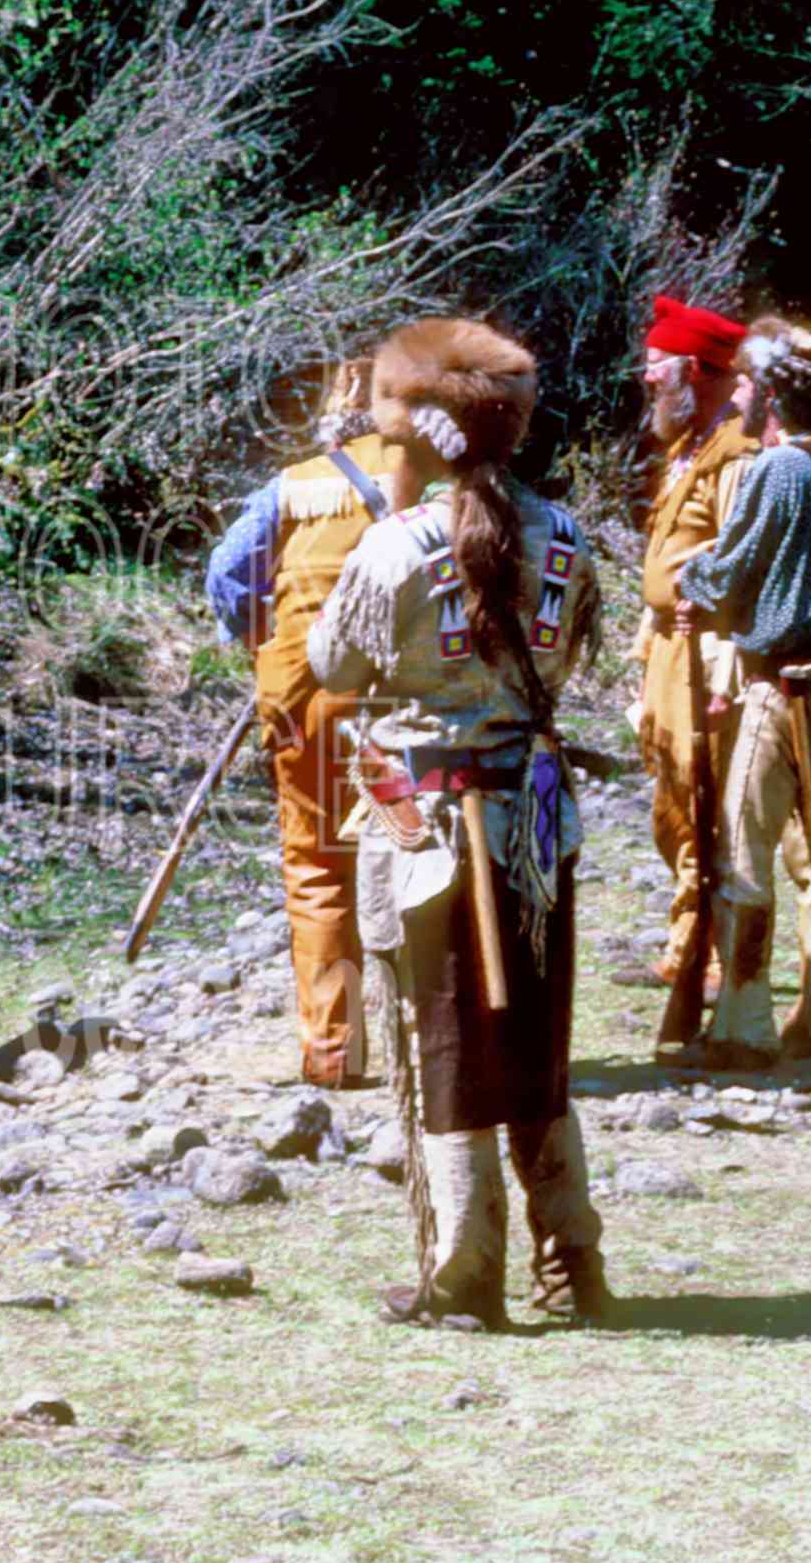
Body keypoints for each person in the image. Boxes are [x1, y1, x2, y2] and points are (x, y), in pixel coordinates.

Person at [306, 319, 612, 1328]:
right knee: (533, 1037)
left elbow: (332, 668)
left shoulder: (396, 545)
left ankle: (466, 1265)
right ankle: (571, 1258)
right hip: (535, 819)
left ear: (422, 432)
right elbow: (571, 656)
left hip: (428, 828)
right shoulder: (566, 535)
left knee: (440, 1039)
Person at [204, 358, 420, 1088]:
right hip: (406, 711)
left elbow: (226, 575)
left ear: (335, 421)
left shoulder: (294, 484)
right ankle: (430, 1046)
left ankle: (335, 1053)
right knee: (420, 861)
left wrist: (262, 639)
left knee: (319, 869)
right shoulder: (437, 483)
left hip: (307, 708)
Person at [675, 318, 811, 1069]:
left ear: (771, 393)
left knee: (744, 856)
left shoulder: (778, 468)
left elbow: (729, 573)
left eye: (747, 384)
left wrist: (690, 576)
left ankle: (743, 1024)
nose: (737, 396)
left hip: (782, 687)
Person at [629, 295, 758, 991]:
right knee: (676, 800)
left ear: (699, 372)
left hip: (709, 656)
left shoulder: (734, 457)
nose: (647, 377)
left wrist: (727, 674)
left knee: (709, 801)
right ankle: (688, 940)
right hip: (670, 651)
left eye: (660, 365)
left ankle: (706, 955)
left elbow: (742, 567)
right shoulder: (688, 451)